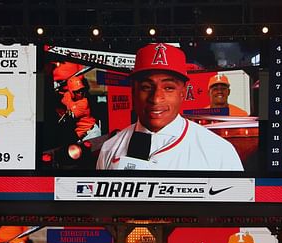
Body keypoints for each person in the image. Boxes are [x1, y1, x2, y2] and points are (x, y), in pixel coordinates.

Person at [97, 43, 244, 171]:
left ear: (183, 92)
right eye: (146, 87)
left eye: (168, 88)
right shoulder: (110, 148)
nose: (155, 98)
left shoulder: (219, 151)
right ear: (134, 91)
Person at [61, 76, 101, 141]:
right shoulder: (68, 96)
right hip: (81, 136)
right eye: (78, 91)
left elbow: (69, 115)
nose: (81, 93)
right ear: (71, 92)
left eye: (82, 90)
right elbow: (61, 95)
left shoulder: (84, 103)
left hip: (91, 133)